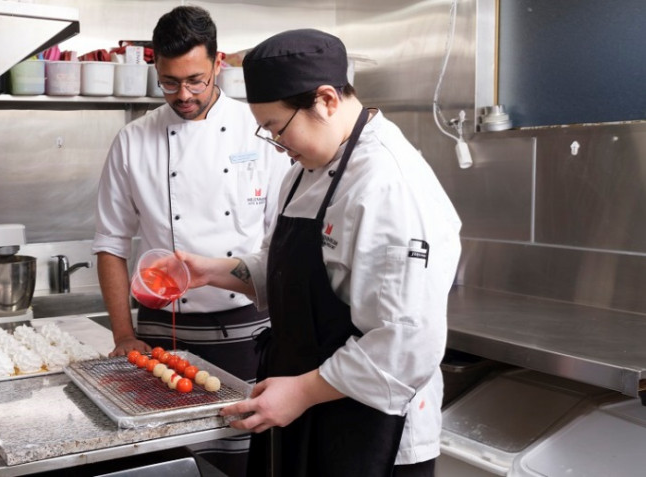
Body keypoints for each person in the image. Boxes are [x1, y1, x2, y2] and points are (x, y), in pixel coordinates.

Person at [175, 29, 462, 477]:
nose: (276, 143)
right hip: (305, 408)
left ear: (326, 100)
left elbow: (405, 342)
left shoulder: (387, 183)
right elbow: (288, 271)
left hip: (370, 429)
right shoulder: (306, 169)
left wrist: (304, 392)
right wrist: (211, 271)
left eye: (277, 128)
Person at [91, 6, 290, 476]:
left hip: (247, 328)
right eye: (169, 82)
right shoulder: (132, 141)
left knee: (242, 458)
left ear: (218, 63)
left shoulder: (260, 129)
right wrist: (123, 334)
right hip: (161, 331)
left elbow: (281, 242)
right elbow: (111, 243)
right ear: (155, 68)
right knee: (167, 459)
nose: (184, 94)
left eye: (196, 80)